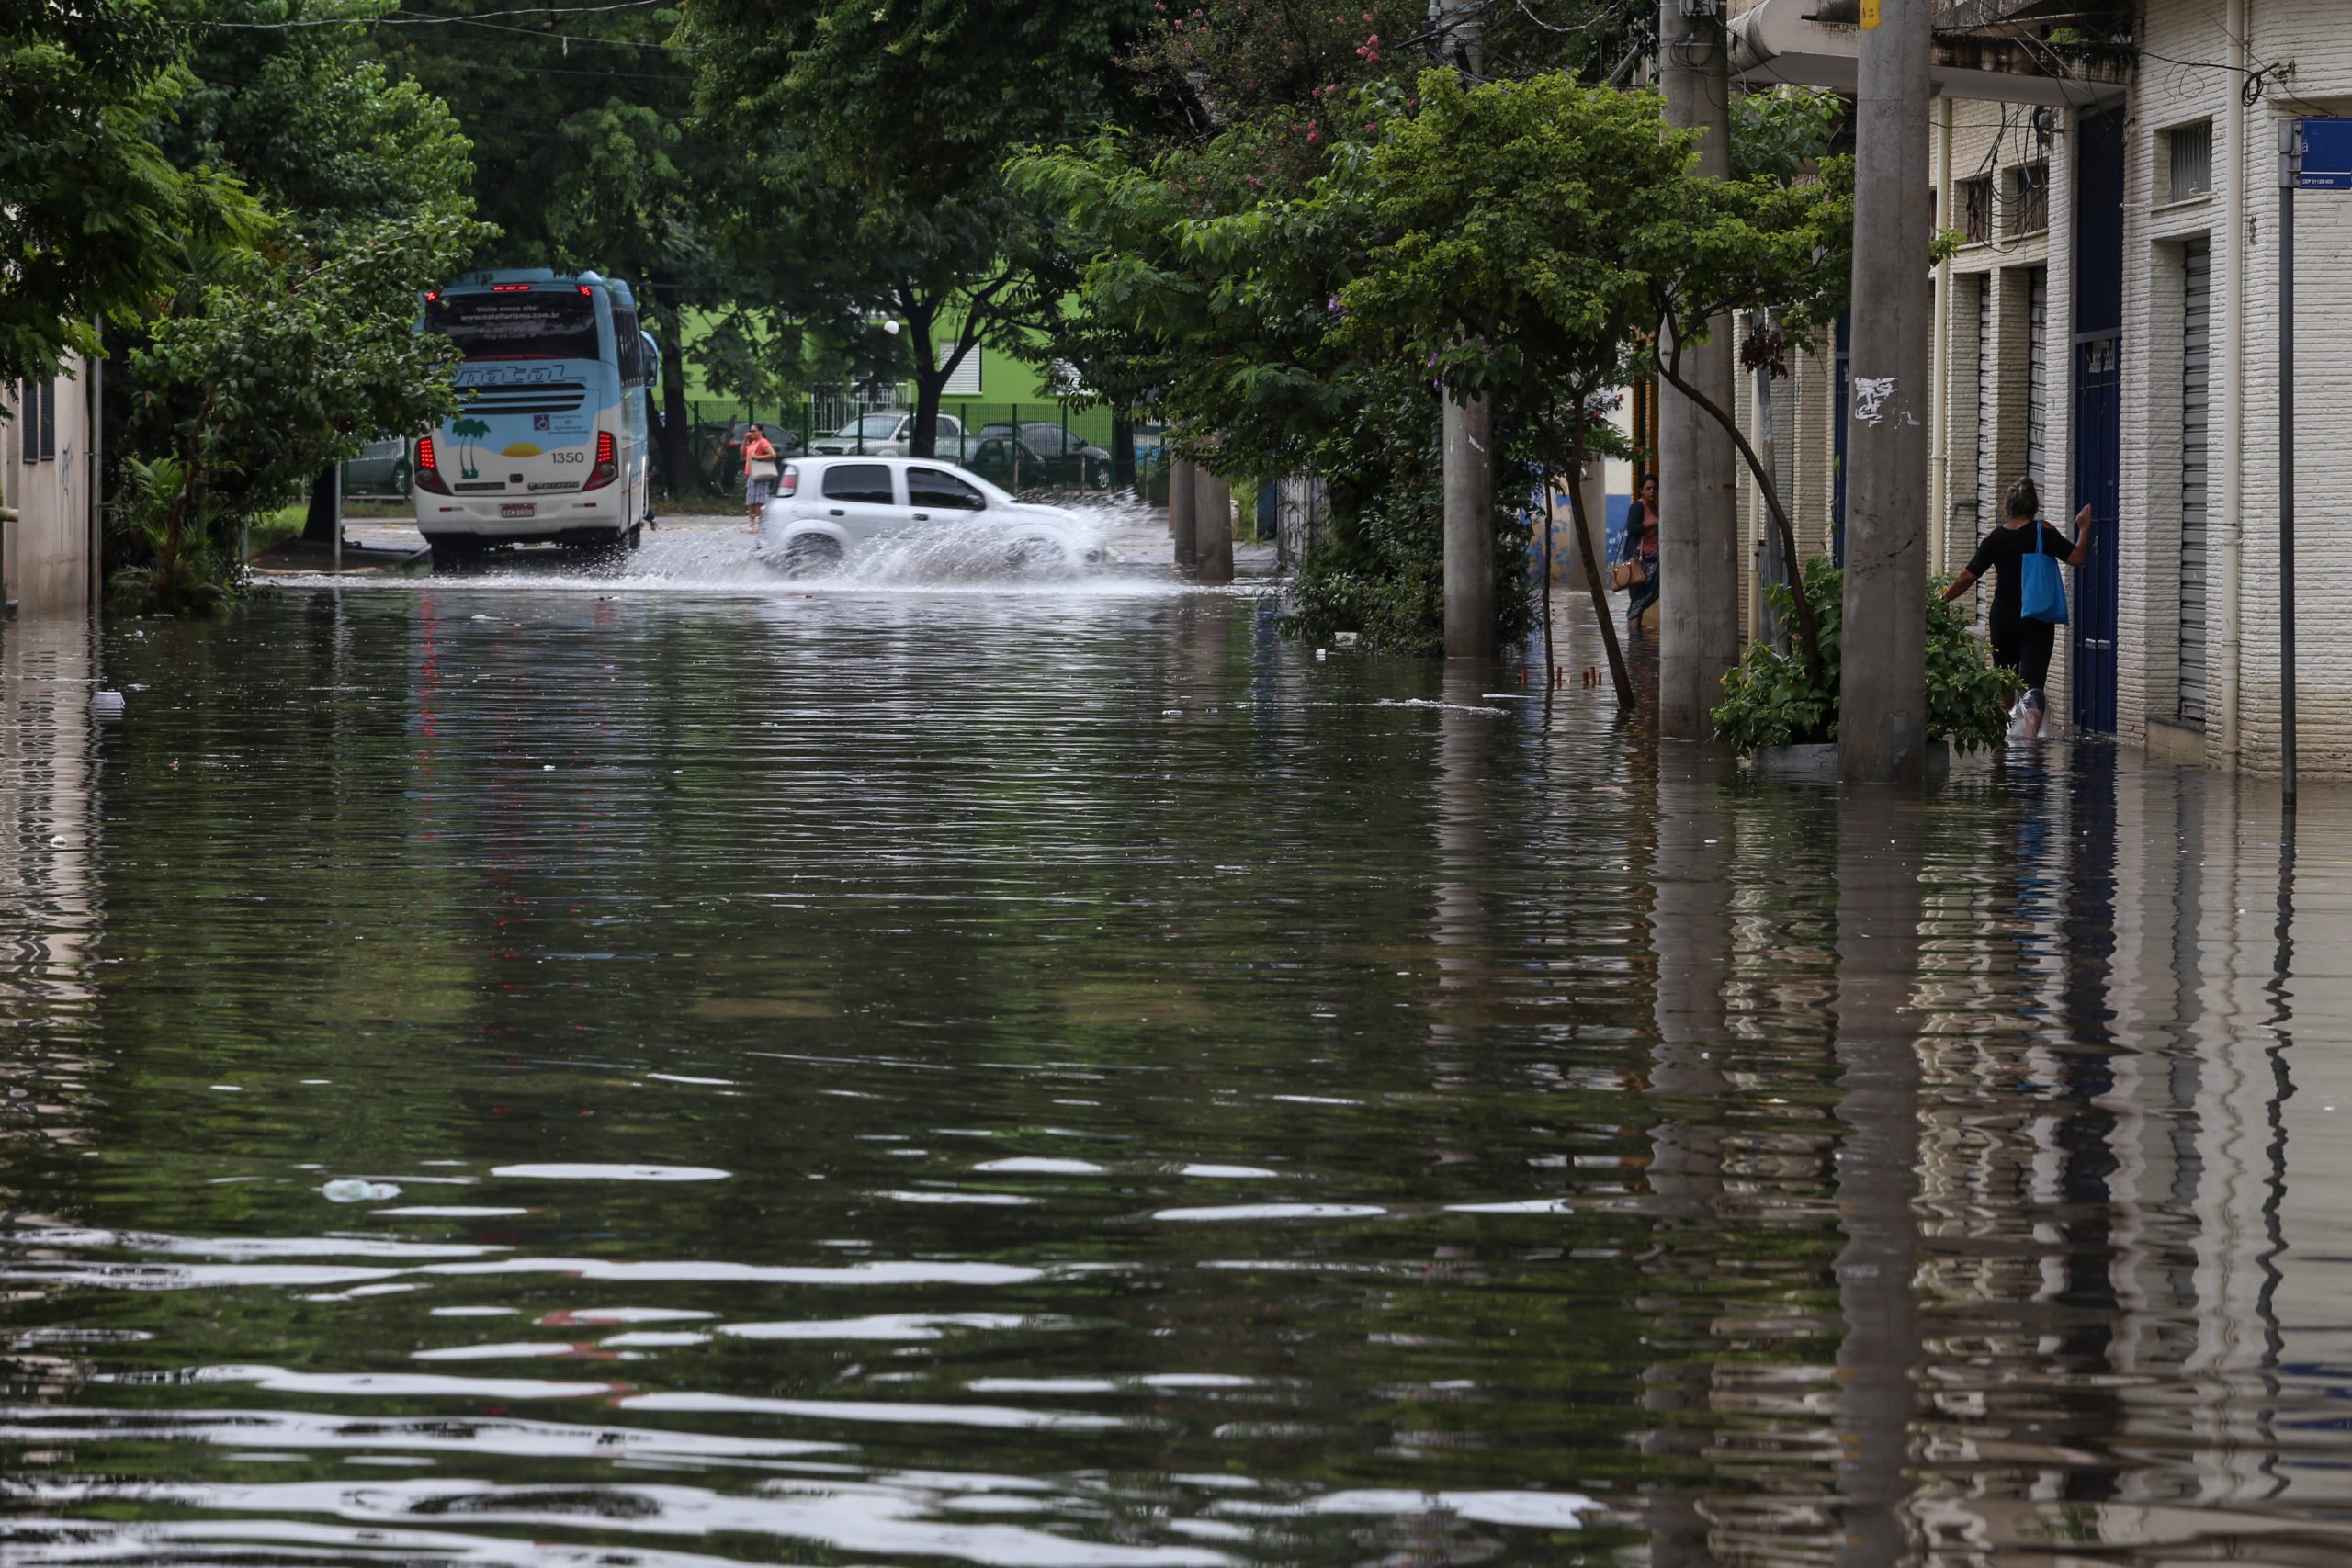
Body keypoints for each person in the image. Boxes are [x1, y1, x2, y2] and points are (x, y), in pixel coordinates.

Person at [1940, 476, 2094, 739]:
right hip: (2036, 616)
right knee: (2034, 682)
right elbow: (2077, 557)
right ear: (2034, 507)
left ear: (2006, 508)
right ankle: (2029, 739)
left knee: (2004, 678)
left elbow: (1968, 576)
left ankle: (2001, 737)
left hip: (2003, 618)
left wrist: (1941, 600)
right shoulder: (2043, 531)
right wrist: (2084, 527)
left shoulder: (1994, 537)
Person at [1622, 474, 1660, 637]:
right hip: (1640, 559)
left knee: (1648, 594)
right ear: (1641, 490)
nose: (1652, 492)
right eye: (1648, 488)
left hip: (1653, 558)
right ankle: (1634, 637)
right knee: (1638, 597)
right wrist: (1649, 524)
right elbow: (1631, 528)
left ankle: (1635, 637)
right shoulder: (1638, 507)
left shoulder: (1654, 507)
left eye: (1654, 488)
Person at [742, 424, 780, 525]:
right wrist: (745, 440)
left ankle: (759, 523)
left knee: (758, 501)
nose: (751, 433)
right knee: (751, 501)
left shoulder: (763, 442)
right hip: (751, 474)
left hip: (759, 475)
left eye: (754, 431)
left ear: (761, 431)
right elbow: (742, 453)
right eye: (750, 431)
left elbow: (773, 455)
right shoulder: (752, 443)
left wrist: (758, 457)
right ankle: (752, 523)